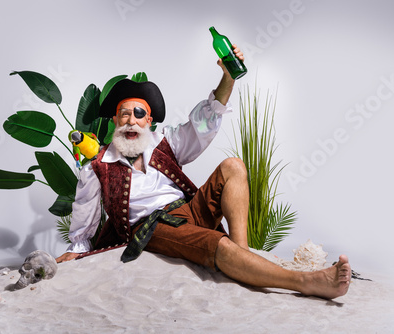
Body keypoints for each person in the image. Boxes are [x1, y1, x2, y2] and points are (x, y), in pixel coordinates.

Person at [56, 46, 351, 300]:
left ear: (148, 121)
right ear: (115, 120)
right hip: (153, 228)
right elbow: (85, 211)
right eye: (124, 113)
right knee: (213, 244)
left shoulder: (165, 144)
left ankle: (242, 254)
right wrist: (78, 248)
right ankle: (307, 283)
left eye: (139, 113)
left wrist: (228, 77)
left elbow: (205, 121)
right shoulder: (97, 166)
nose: (131, 120)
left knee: (233, 166)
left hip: (189, 210)